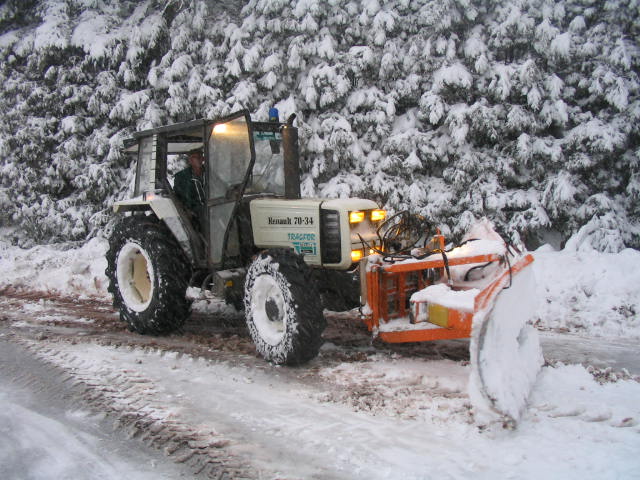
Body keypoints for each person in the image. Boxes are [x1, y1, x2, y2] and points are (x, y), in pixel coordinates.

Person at [174, 151, 206, 229]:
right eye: (195, 157)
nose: (198, 160)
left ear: (203, 159)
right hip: (194, 209)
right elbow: (178, 196)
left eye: (200, 157)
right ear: (190, 161)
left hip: (212, 205)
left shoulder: (210, 173)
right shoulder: (181, 177)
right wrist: (186, 210)